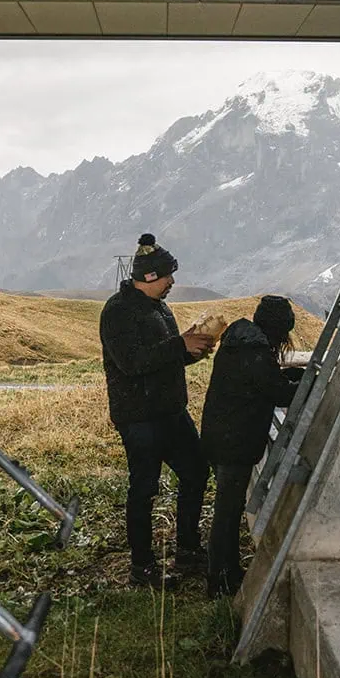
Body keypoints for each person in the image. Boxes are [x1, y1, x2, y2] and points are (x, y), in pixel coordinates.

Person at [100, 233, 215, 587]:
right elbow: (132, 362)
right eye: (167, 276)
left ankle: (188, 551)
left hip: (170, 412)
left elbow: (164, 356)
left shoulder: (159, 308)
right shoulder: (117, 312)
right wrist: (178, 345)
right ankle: (143, 567)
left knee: (196, 473)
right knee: (144, 489)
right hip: (139, 419)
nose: (172, 283)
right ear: (149, 277)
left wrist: (189, 352)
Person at [200, 295, 299, 598]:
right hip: (234, 443)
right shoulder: (255, 352)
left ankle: (227, 571)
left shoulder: (241, 343)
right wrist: (304, 383)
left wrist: (290, 376)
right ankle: (218, 581)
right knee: (227, 512)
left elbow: (264, 381)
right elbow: (278, 392)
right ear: (278, 329)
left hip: (222, 438)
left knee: (228, 510)